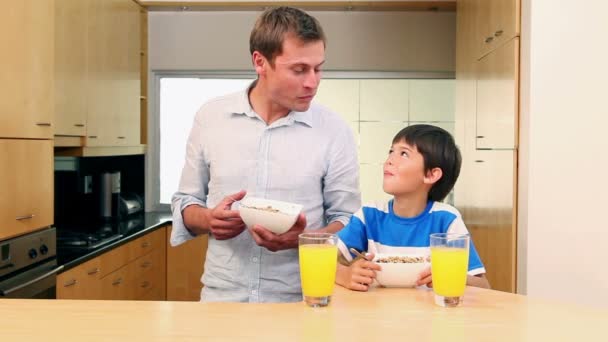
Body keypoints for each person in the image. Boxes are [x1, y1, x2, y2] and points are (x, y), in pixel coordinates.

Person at [170, 7, 360, 303]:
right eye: (299, 70)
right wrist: (209, 220)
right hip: (222, 299)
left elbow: (346, 219)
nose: (312, 82)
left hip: (301, 299)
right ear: (260, 62)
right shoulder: (211, 117)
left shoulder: (334, 130)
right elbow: (186, 202)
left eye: (318, 68)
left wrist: (301, 240)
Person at [335, 124, 490, 291]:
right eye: (391, 152)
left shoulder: (446, 220)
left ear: (430, 174)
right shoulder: (369, 215)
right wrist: (345, 274)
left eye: (403, 153)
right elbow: (325, 259)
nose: (389, 160)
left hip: (432, 315)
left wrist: (451, 275)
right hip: (377, 314)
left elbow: (483, 285)